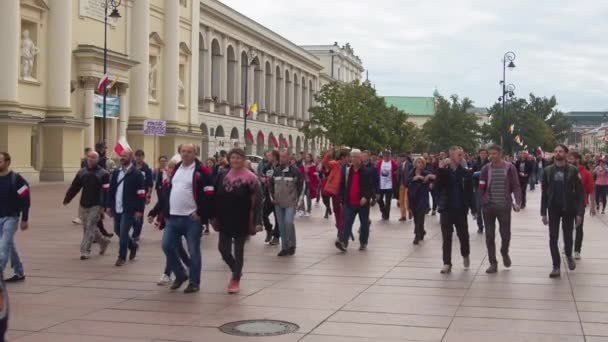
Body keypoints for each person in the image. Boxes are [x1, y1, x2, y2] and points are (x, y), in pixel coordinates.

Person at [162, 144, 214, 293]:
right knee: (167, 246)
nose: (185, 154)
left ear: (195, 154)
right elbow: (170, 190)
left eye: (189, 152)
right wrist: (164, 213)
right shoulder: (177, 168)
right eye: (183, 152)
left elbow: (209, 193)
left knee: (193, 251)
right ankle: (180, 274)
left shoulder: (202, 171)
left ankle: (194, 282)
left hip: (192, 218)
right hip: (173, 217)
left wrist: (201, 212)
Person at [212, 148, 260, 294]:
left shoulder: (251, 178)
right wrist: (213, 215)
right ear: (229, 159)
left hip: (242, 218)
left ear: (244, 159)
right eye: (232, 158)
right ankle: (236, 269)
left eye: (238, 158)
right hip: (225, 217)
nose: (235, 160)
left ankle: (235, 280)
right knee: (223, 249)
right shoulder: (223, 175)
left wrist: (257, 221)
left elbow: (258, 200)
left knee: (239, 251)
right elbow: (215, 194)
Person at [541, 144, 584, 278]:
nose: (558, 153)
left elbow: (579, 193)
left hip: (568, 208)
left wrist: (579, 212)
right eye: (556, 151)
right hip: (553, 207)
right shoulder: (547, 170)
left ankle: (569, 254)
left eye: (561, 151)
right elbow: (544, 193)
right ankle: (556, 266)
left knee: (567, 236)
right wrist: (543, 212)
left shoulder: (573, 170)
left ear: (566, 154)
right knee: (553, 237)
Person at [148, 155, 191, 286]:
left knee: (172, 246)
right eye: (169, 167)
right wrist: (153, 213)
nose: (170, 170)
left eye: (173, 168)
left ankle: (169, 273)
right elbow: (162, 201)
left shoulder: (183, 183)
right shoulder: (166, 183)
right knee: (172, 246)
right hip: (170, 219)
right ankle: (187, 267)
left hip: (185, 218)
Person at [478, 145, 522, 274]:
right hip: (489, 207)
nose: (492, 156)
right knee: (489, 235)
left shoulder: (510, 168)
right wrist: (483, 201)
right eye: (490, 154)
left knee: (505, 234)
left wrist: (517, 202)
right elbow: (481, 187)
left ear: (500, 154)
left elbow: (516, 186)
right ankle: (493, 263)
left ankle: (504, 252)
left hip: (504, 206)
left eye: (494, 154)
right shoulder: (485, 169)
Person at [63, 151, 111, 260]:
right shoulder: (82, 172)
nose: (90, 159)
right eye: (89, 157)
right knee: (89, 226)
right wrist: (67, 198)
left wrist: (105, 205)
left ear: (97, 159)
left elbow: (107, 191)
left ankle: (85, 251)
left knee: (89, 227)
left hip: (97, 204)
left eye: (93, 157)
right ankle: (104, 241)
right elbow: (75, 187)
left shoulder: (104, 174)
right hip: (83, 204)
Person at [435, 146, 474, 274]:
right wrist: (440, 169)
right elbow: (437, 187)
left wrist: (473, 208)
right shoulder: (444, 172)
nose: (461, 157)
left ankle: (465, 254)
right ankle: (447, 263)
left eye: (462, 154)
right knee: (446, 237)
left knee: (463, 235)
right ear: (451, 157)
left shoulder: (465, 172)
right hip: (447, 208)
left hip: (460, 209)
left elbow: (470, 192)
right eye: (459, 155)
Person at [106, 149, 145, 266]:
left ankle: (121, 257)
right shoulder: (117, 172)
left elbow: (141, 193)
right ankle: (133, 245)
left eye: (125, 156)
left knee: (123, 232)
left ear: (131, 157)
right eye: (121, 156)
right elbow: (111, 190)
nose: (122, 158)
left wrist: (139, 210)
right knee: (117, 230)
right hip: (117, 207)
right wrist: (108, 205)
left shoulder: (137, 174)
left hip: (129, 208)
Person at [336, 149, 374, 251]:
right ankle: (344, 242)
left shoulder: (366, 172)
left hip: (362, 204)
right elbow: (342, 185)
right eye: (351, 157)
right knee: (347, 222)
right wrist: (341, 198)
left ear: (360, 158)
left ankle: (363, 242)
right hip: (350, 202)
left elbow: (371, 187)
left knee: (364, 223)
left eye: (355, 157)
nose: (353, 159)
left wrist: (366, 197)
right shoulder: (348, 171)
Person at [0, 153, 30, 283]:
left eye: (0, 161)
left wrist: (24, 219)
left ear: (7, 162)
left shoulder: (16, 179)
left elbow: (25, 199)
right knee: (9, 244)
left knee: (3, 246)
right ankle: (19, 271)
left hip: (10, 218)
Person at [270, 151, 303, 256]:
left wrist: (299, 201)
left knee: (288, 222)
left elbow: (302, 186)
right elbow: (270, 186)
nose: (282, 159)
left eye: (284, 157)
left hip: (290, 203)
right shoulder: (276, 171)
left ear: (289, 158)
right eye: (281, 157)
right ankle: (285, 247)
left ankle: (292, 244)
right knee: (281, 225)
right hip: (278, 203)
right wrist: (272, 198)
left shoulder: (295, 171)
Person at [568, 152, 596, 260]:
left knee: (579, 227)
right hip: (567, 203)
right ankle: (568, 247)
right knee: (567, 227)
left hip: (580, 204)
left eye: (571, 158)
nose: (569, 160)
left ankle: (577, 250)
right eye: (568, 158)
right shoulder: (566, 171)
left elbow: (591, 190)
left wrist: (593, 206)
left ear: (578, 159)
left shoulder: (586, 173)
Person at [408, 157, 435, 244]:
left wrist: (430, 179)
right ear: (415, 164)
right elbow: (406, 182)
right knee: (416, 217)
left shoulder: (426, 173)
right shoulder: (411, 172)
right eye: (418, 162)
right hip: (413, 197)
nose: (419, 164)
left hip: (422, 197)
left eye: (421, 162)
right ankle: (422, 231)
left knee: (420, 216)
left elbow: (436, 179)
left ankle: (416, 235)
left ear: (424, 164)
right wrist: (414, 178)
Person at [322, 148, 349, 234]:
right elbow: (325, 163)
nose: (349, 159)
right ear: (342, 157)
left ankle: (342, 227)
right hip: (335, 191)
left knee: (343, 211)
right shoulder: (335, 164)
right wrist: (329, 154)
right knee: (337, 210)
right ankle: (339, 228)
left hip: (344, 192)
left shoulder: (349, 167)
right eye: (348, 157)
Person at [132, 150, 153, 242]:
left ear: (143, 157)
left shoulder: (146, 168)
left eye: (140, 156)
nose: (138, 158)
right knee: (131, 214)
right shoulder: (131, 167)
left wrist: (148, 196)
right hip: (131, 194)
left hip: (141, 195)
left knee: (139, 214)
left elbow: (150, 183)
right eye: (137, 156)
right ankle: (134, 228)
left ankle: (136, 233)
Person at [260, 150, 280, 244]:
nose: (268, 157)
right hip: (269, 195)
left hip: (279, 196)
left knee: (277, 218)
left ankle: (276, 237)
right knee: (263, 214)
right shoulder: (267, 167)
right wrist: (263, 179)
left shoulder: (280, 166)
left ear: (275, 157)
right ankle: (269, 229)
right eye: (267, 156)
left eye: (270, 156)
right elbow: (262, 176)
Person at [377, 151, 398, 220]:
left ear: (390, 156)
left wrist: (394, 173)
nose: (386, 157)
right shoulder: (380, 163)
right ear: (383, 156)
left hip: (389, 185)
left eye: (388, 155)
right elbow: (377, 172)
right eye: (385, 155)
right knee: (379, 199)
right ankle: (383, 211)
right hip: (381, 185)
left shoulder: (393, 163)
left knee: (388, 201)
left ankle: (386, 215)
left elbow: (397, 170)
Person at [472, 149, 489, 233]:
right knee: (478, 208)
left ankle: (488, 225)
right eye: (481, 153)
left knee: (486, 208)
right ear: (479, 154)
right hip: (478, 187)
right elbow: (472, 174)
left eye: (484, 153)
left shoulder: (489, 163)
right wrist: (478, 173)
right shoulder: (475, 163)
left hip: (487, 188)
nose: (482, 155)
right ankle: (480, 226)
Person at [397, 153, 412, 222]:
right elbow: (398, 175)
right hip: (401, 184)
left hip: (408, 185)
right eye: (400, 157)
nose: (401, 159)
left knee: (407, 200)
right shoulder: (399, 165)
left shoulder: (410, 165)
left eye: (402, 157)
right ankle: (403, 216)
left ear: (405, 157)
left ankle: (410, 211)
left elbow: (411, 174)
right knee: (401, 200)